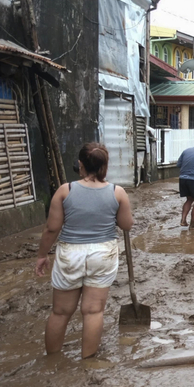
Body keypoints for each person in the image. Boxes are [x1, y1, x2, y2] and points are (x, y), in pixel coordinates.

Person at [35, 143, 133, 359]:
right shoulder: (118, 192)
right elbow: (126, 225)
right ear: (105, 165)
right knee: (93, 311)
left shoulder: (65, 190)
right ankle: (88, 362)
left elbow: (52, 228)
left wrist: (42, 255)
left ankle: (52, 361)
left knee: (60, 312)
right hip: (103, 254)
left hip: (70, 253)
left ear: (80, 164)